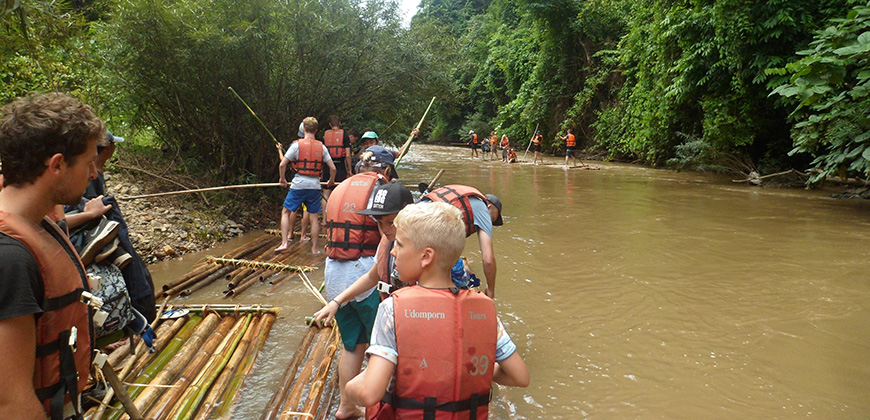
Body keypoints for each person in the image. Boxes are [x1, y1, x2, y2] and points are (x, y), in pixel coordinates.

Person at [345, 202, 529, 419]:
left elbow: (368, 394)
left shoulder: (392, 309)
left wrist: (351, 386)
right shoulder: (486, 309)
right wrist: (466, 371)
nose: (393, 252)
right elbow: (520, 376)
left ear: (426, 256)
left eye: (400, 245)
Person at [0, 92, 104, 420]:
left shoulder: (40, 222)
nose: (93, 173)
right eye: (89, 162)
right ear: (57, 165)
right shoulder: (10, 258)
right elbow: (11, 403)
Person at [320, 150, 405, 419]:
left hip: (333, 273)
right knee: (381, 346)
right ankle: (381, 406)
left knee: (352, 345)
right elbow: (388, 240)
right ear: (387, 171)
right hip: (365, 272)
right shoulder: (380, 190)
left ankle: (346, 406)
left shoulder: (340, 186)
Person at [421, 185, 503, 299]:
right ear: (489, 208)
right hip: (426, 233)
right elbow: (488, 259)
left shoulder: (465, 198)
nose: (490, 223)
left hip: (413, 220)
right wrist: (490, 290)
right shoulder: (483, 210)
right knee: (462, 281)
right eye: (492, 218)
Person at [276, 116, 336, 254]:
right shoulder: (321, 147)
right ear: (316, 130)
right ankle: (314, 249)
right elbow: (333, 168)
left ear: (303, 129)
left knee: (286, 211)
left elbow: (282, 164)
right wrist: (331, 181)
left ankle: (284, 243)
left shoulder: (296, 145)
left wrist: (282, 179)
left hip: (299, 184)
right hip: (314, 185)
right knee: (314, 217)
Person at [321, 115, 353, 224]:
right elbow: (348, 155)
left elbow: (321, 154)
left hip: (327, 166)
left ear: (330, 124)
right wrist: (349, 170)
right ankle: (337, 218)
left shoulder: (325, 135)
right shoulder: (344, 136)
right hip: (340, 166)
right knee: (339, 192)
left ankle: (325, 220)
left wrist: (321, 170)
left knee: (326, 193)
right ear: (340, 123)